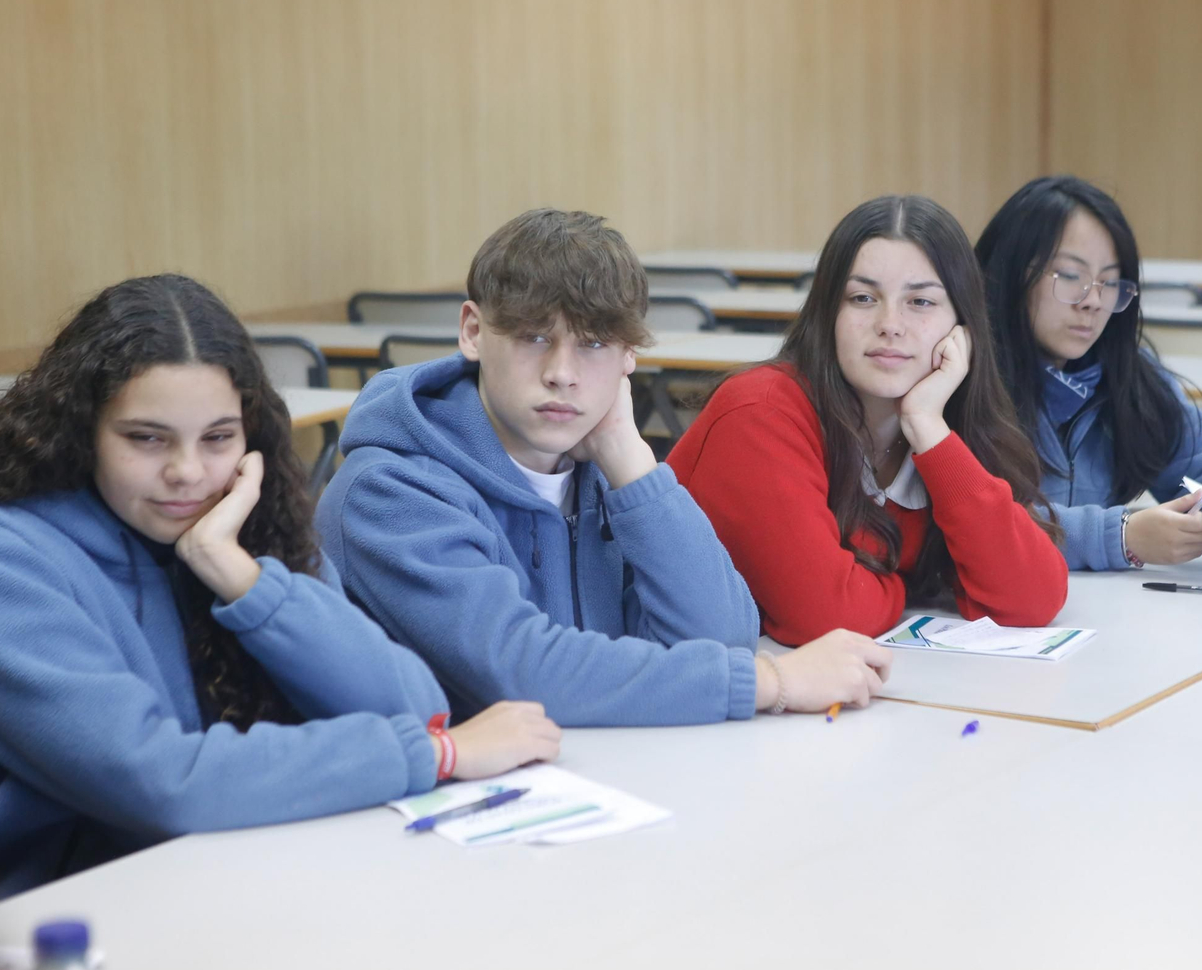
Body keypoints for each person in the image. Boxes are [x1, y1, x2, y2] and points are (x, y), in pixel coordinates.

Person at [0, 275, 559, 899]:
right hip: (24, 941)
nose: (188, 473)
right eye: (146, 439)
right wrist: (437, 755)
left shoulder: (241, 532)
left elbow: (412, 704)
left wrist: (243, 580)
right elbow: (160, 784)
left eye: (218, 438)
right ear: (81, 432)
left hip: (214, 889)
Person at [315, 209, 891, 724]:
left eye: (593, 344)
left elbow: (720, 637)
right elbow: (521, 675)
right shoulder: (388, 490)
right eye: (533, 336)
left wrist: (633, 465)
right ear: (472, 331)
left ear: (628, 358)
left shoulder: (601, 473)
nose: (562, 372)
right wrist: (773, 682)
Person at [668, 195, 1067, 645]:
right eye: (862, 298)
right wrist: (901, 585)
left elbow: (1034, 598)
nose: (890, 324)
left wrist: (929, 429)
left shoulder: (942, 427)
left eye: (920, 301)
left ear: (961, 328)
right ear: (828, 314)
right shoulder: (761, 412)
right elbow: (823, 618)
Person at [975, 175, 1202, 571]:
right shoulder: (965, 384)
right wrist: (1120, 537)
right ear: (1010, 274)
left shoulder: (1127, 381)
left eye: (1109, 282)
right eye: (1070, 276)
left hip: (1095, 617)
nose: (1093, 301)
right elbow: (979, 529)